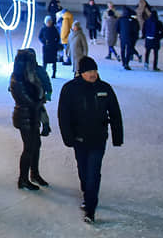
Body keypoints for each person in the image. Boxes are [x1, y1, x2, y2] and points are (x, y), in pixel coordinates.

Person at [58, 57, 123, 224]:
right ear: (81, 73)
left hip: (98, 138)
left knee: (93, 172)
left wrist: (117, 136)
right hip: (79, 139)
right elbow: (63, 115)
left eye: (94, 71)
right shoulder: (70, 89)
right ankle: (88, 194)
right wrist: (68, 137)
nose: (93, 74)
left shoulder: (104, 88)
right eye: (89, 71)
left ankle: (90, 208)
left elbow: (115, 113)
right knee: (83, 172)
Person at [10, 48, 48, 190]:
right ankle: (23, 179)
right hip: (24, 117)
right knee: (29, 148)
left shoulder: (31, 75)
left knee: (36, 145)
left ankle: (34, 174)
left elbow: (37, 95)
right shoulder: (17, 78)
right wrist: (40, 101)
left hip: (33, 116)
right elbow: (26, 99)